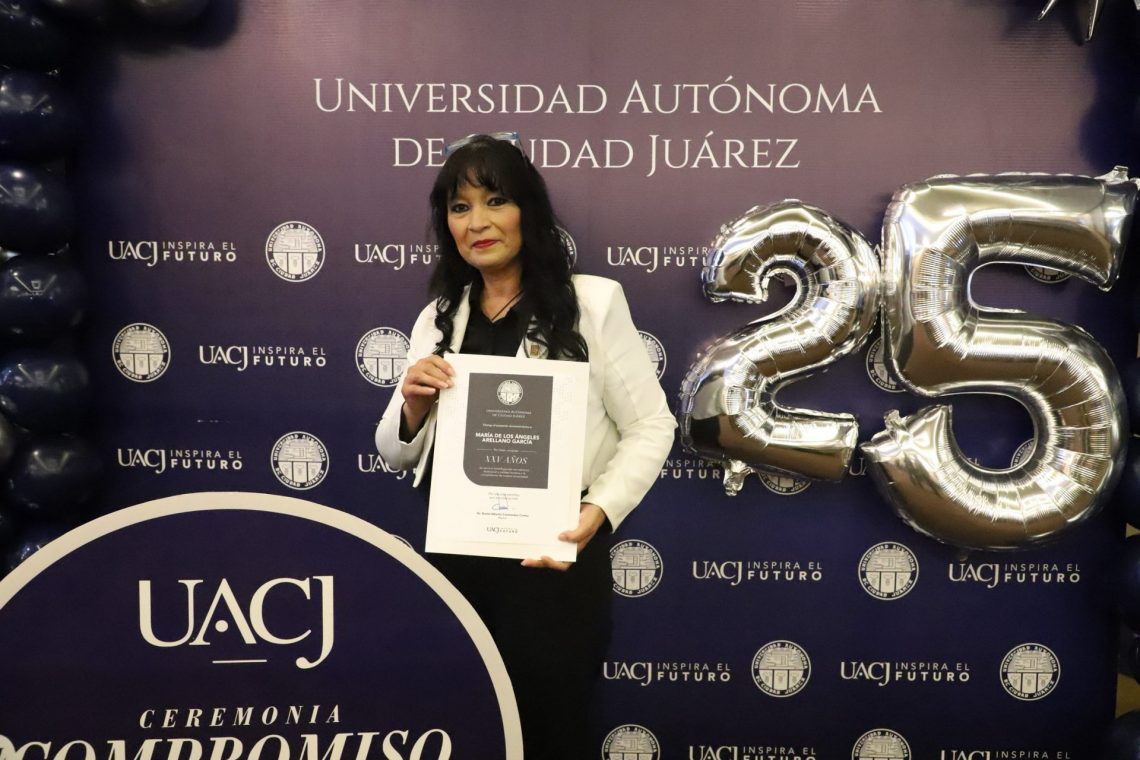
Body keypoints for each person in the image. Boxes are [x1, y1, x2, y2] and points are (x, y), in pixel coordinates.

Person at [375, 133, 675, 759]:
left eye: (496, 201)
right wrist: (413, 404)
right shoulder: (439, 317)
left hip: (551, 563)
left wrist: (596, 514)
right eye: (460, 208)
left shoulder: (591, 303)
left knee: (550, 733)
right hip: (457, 560)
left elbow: (652, 426)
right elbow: (396, 453)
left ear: (527, 212)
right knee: (466, 730)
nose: (477, 222)